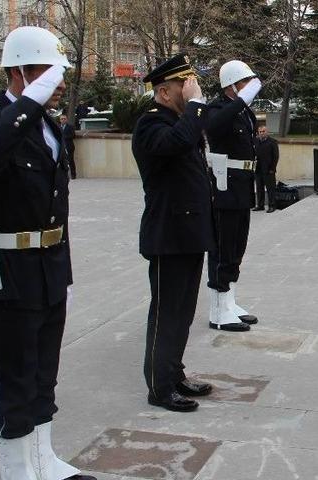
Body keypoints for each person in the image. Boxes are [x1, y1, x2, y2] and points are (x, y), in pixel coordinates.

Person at [0, 26, 94, 480]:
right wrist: (28, 105)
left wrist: (66, 276)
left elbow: (56, 207)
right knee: (10, 381)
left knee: (42, 377)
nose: (56, 85)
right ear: (19, 72)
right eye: (47, 75)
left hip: (49, 268)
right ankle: (17, 471)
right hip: (5, 272)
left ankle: (43, 462)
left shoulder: (52, 125)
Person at [131, 54, 215, 413]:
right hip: (169, 233)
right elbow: (175, 145)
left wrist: (193, 110)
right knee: (166, 312)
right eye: (185, 85)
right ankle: (159, 386)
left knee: (182, 311)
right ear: (164, 92)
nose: (192, 90)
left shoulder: (179, 121)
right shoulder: (151, 124)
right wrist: (195, 107)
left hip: (189, 231)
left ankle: (174, 372)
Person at [204, 60, 263, 332]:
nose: (250, 86)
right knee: (223, 246)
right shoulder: (218, 109)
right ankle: (218, 310)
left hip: (242, 184)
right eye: (245, 82)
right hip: (224, 185)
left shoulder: (244, 112)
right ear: (232, 85)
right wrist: (240, 101)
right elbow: (214, 126)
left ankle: (230, 302)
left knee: (238, 245)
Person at [254, 124, 279, 213]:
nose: (262, 133)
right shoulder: (256, 141)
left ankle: (272, 206)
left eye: (263, 131)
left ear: (267, 132)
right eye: (260, 132)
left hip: (269, 170)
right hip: (258, 169)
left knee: (270, 189)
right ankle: (260, 205)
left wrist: (272, 168)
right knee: (259, 188)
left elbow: (276, 156)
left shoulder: (272, 142)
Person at [59, 114, 76, 178]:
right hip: (61, 147)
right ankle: (63, 175)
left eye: (64, 119)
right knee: (61, 161)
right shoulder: (58, 126)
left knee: (71, 160)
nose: (63, 120)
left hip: (69, 146)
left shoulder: (70, 127)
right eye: (62, 119)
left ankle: (73, 175)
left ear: (67, 119)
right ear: (60, 120)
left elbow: (73, 136)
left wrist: (64, 137)